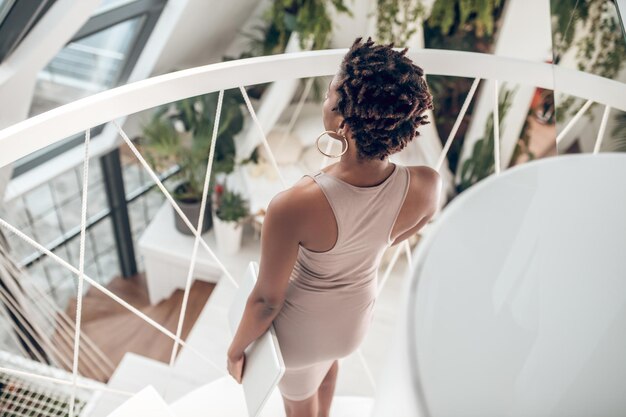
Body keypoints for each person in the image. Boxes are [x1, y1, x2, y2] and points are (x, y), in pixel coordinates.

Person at [227, 36, 442, 417]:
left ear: (341, 121)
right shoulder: (427, 185)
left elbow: (266, 302)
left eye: (328, 95)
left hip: (299, 335)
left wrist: (236, 349)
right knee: (326, 372)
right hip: (353, 324)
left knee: (300, 408)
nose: (325, 100)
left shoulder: (293, 205)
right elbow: (395, 235)